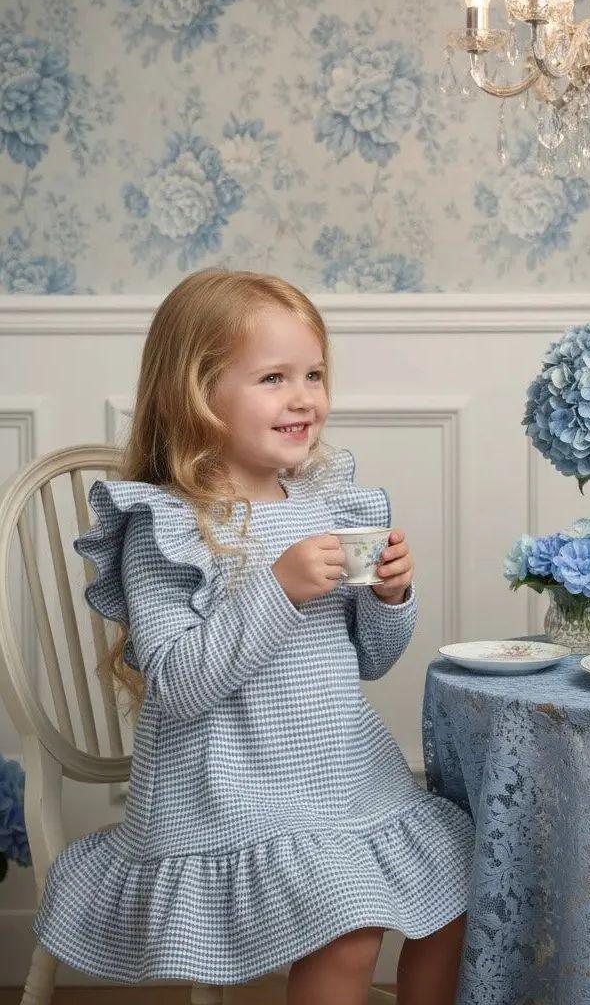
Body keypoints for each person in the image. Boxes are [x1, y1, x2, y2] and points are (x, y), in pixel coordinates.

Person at [32, 268, 475, 1005]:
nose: (305, 397)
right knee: (350, 926)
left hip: (342, 777)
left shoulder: (325, 505)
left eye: (314, 374)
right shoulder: (168, 527)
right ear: (196, 394)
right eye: (274, 377)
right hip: (230, 788)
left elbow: (368, 658)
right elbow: (178, 685)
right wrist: (277, 588)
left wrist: (392, 598)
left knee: (457, 881)